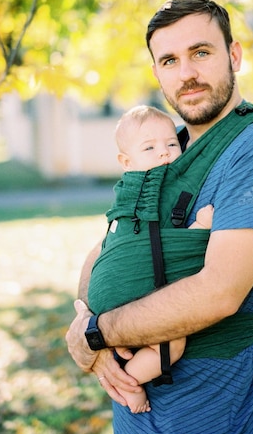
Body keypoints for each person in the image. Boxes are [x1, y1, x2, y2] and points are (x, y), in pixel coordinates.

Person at [66, 0, 253, 434]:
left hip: (209, 429)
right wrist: (83, 321)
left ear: (233, 56)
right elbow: (110, 245)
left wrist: (97, 334)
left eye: (201, 52)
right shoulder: (162, 145)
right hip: (137, 422)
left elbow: (218, 293)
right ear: (157, 72)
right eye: (169, 60)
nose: (186, 73)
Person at [88, 105, 213, 413]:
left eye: (171, 144)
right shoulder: (155, 188)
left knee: (137, 339)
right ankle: (129, 384)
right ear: (126, 162)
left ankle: (125, 351)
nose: (164, 154)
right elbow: (163, 238)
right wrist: (200, 228)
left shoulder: (128, 192)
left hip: (108, 292)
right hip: (125, 287)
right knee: (171, 343)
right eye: (150, 147)